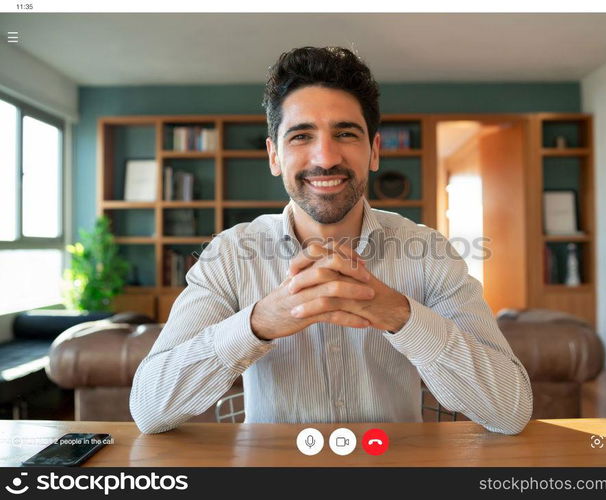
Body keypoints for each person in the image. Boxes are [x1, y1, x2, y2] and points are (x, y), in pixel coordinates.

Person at [130, 46, 533, 435]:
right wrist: (258, 323)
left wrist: (400, 314)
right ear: (274, 156)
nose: (325, 157)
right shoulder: (230, 256)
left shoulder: (429, 253)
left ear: (374, 151)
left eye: (345, 133)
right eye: (301, 136)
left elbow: (510, 411)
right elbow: (150, 410)